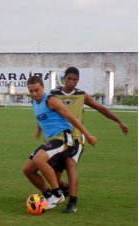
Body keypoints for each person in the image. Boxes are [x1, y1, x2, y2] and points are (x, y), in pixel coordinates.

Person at [49, 66, 129, 213]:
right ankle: (65, 189)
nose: (72, 82)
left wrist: (119, 121)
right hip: (59, 138)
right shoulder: (53, 94)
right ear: (64, 78)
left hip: (76, 137)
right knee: (54, 174)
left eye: (75, 80)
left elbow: (102, 109)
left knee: (70, 164)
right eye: (69, 79)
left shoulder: (81, 95)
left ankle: (72, 203)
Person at [22, 76, 96, 210]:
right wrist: (39, 130)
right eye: (31, 91)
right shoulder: (34, 102)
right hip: (51, 140)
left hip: (63, 138)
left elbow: (71, 118)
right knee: (28, 170)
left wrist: (88, 135)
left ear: (43, 87)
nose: (33, 94)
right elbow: (43, 118)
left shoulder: (52, 100)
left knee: (39, 159)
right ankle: (48, 195)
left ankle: (57, 194)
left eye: (36, 90)